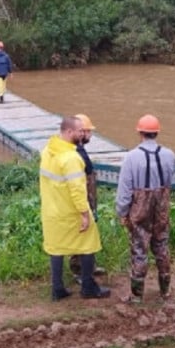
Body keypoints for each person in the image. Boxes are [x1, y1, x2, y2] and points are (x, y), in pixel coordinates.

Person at [39, 115, 110, 300]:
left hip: (51, 211)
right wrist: (85, 214)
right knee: (89, 245)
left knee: (56, 249)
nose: (82, 134)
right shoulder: (72, 158)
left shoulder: (48, 150)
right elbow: (77, 190)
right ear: (69, 132)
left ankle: (57, 289)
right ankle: (88, 287)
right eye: (80, 131)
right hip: (70, 212)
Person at [115, 114, 175, 304]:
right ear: (157, 132)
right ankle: (165, 291)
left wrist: (122, 212)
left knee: (139, 249)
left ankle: (136, 296)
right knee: (162, 247)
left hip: (140, 211)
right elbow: (170, 182)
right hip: (161, 209)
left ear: (140, 132)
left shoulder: (131, 157)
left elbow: (125, 190)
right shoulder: (169, 155)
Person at [69, 113, 106, 283]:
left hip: (87, 200)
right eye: (89, 131)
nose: (91, 135)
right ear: (81, 132)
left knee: (89, 236)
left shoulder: (79, 150)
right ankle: (78, 271)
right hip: (81, 202)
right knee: (81, 236)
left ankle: (89, 267)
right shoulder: (75, 153)